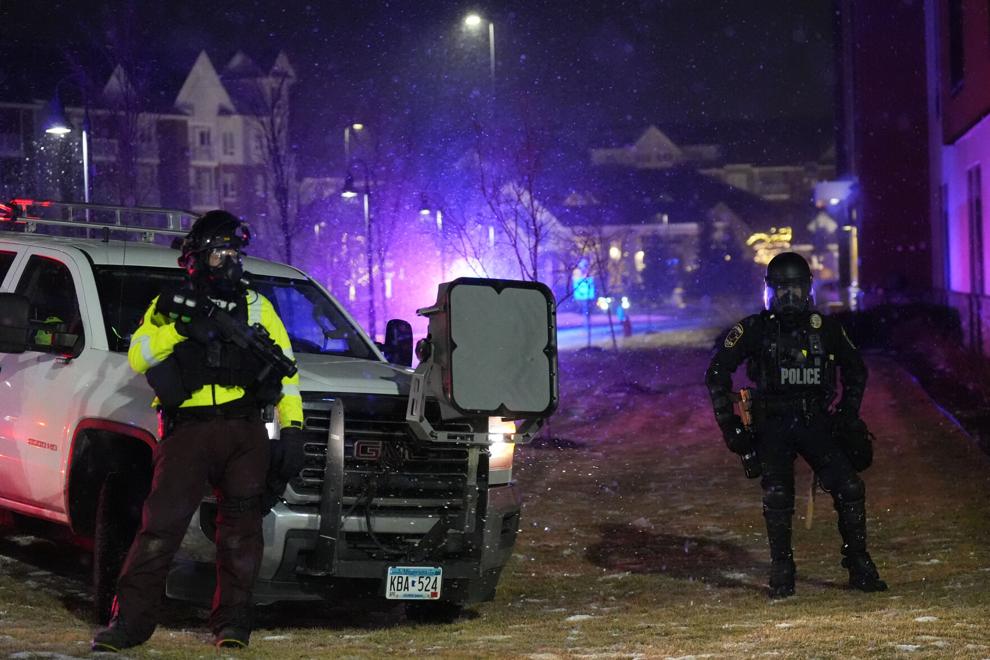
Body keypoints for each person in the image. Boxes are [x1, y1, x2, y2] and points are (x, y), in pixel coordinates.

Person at [92, 210, 305, 651]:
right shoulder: (170, 304)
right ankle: (129, 625)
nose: (229, 261)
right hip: (187, 433)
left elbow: (286, 377)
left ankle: (232, 627)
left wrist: (294, 429)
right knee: (159, 529)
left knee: (242, 535)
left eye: (235, 252)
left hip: (244, 432)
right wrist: (181, 329)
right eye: (220, 253)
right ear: (198, 258)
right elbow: (138, 356)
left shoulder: (258, 307)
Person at [704, 251, 886, 599]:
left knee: (849, 488)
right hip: (772, 424)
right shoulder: (755, 329)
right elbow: (716, 373)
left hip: (815, 420)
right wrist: (732, 428)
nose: (789, 298)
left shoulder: (825, 329)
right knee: (777, 496)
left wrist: (847, 416)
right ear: (770, 291)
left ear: (808, 290)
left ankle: (859, 565)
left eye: (796, 289)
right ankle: (782, 570)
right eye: (781, 289)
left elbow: (856, 370)